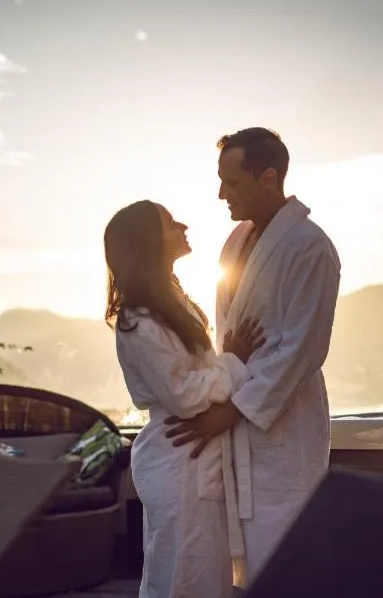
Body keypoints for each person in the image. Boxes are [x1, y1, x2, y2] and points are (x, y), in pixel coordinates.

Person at [165, 127, 342, 587]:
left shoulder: (310, 246)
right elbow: (230, 337)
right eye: (220, 180)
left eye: (233, 182)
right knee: (247, 571)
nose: (221, 193)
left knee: (290, 560)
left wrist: (234, 409)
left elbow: (302, 347)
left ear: (268, 178)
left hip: (283, 427)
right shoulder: (236, 242)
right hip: (239, 429)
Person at [104, 199, 265, 598]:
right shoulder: (138, 321)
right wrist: (234, 361)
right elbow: (186, 395)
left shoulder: (169, 303)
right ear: (148, 242)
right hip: (180, 455)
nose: (184, 226)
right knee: (182, 573)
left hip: (193, 455)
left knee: (200, 570)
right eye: (171, 223)